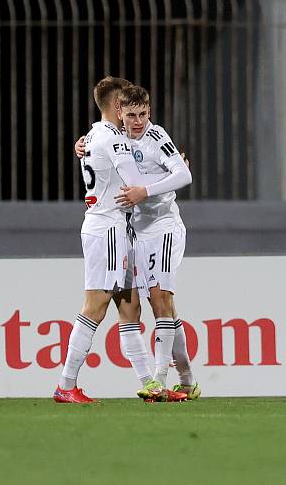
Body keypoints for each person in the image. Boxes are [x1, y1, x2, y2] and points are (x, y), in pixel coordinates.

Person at [53, 77, 187, 404]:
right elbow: (136, 183)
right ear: (118, 107)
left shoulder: (95, 135)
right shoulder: (112, 139)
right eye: (126, 105)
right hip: (108, 228)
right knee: (95, 307)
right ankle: (66, 384)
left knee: (130, 309)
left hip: (115, 228)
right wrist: (174, 172)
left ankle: (151, 387)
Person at [113, 85, 200, 400]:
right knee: (150, 304)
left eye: (142, 114)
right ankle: (187, 379)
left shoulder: (156, 137)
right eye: (131, 115)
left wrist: (143, 191)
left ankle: (160, 382)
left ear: (149, 113)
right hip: (136, 230)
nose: (137, 121)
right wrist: (81, 146)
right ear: (120, 113)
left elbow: (184, 176)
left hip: (164, 227)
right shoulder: (115, 138)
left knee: (159, 298)